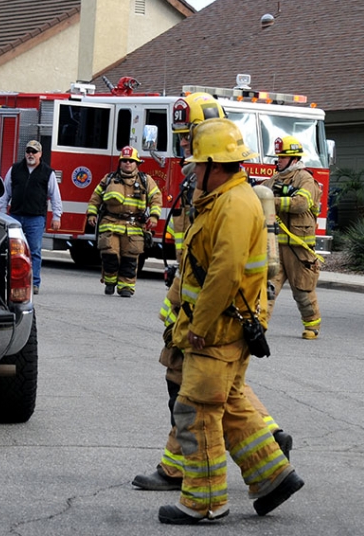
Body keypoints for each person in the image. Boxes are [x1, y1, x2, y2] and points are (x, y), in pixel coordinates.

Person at [133, 93, 291, 493]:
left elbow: (237, 268)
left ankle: (193, 480)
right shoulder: (205, 188)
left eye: (191, 142)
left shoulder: (241, 197)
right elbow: (192, 251)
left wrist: (230, 319)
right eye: (184, 141)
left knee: (199, 393)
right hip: (198, 299)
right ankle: (267, 451)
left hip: (227, 309)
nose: (187, 152)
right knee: (209, 388)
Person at [158, 118, 303, 525]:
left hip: (217, 330)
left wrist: (199, 328)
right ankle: (273, 477)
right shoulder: (224, 199)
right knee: (233, 405)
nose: (192, 172)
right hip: (224, 327)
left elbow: (223, 274)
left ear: (216, 166)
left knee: (197, 410)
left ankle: (205, 503)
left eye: (197, 165)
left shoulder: (234, 205)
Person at [262, 136, 324, 339]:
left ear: (294, 159)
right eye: (278, 157)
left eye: (282, 157)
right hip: (275, 247)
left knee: (303, 291)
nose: (278, 160)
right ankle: (259, 324)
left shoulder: (305, 178)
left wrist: (274, 200)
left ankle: (312, 326)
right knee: (267, 288)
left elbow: (301, 203)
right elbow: (259, 194)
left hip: (299, 247)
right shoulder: (274, 180)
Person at [86, 146, 162, 297]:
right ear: (120, 163)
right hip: (111, 223)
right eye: (125, 160)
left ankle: (126, 287)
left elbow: (156, 198)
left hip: (134, 226)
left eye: (131, 161)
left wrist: (154, 216)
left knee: (130, 258)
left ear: (137, 163)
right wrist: (92, 215)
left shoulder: (146, 181)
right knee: (110, 254)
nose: (128, 163)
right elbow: (96, 197)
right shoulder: (109, 179)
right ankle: (109, 281)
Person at [0, 139, 62, 295]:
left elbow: (55, 196)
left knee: (34, 251)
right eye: (28, 151)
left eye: (34, 151)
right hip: (15, 217)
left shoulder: (48, 172)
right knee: (12, 251)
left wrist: (57, 216)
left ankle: (34, 283)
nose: (30, 154)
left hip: (36, 218)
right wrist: (1, 212)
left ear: (40, 154)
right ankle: (10, 281)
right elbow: (5, 192)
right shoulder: (14, 169)